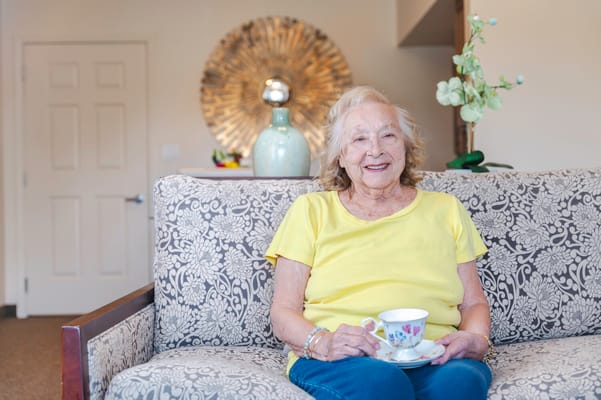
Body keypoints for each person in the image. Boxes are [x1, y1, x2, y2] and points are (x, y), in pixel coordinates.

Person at [266, 86, 492, 400]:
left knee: (460, 383)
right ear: (340, 157)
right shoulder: (311, 212)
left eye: (388, 136)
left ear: (406, 147)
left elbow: (474, 303)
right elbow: (283, 312)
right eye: (359, 139)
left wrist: (476, 338)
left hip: (432, 355)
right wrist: (323, 342)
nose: (375, 150)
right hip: (343, 358)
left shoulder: (447, 210)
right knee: (382, 384)